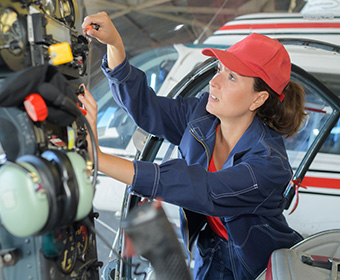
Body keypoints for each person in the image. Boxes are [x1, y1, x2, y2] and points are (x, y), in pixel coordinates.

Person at [80, 12, 306, 280]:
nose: (214, 80)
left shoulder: (269, 164)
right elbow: (147, 108)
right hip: (208, 248)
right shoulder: (201, 115)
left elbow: (204, 189)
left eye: (232, 77)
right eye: (219, 69)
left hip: (256, 266)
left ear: (258, 99)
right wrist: (115, 44)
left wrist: (100, 158)